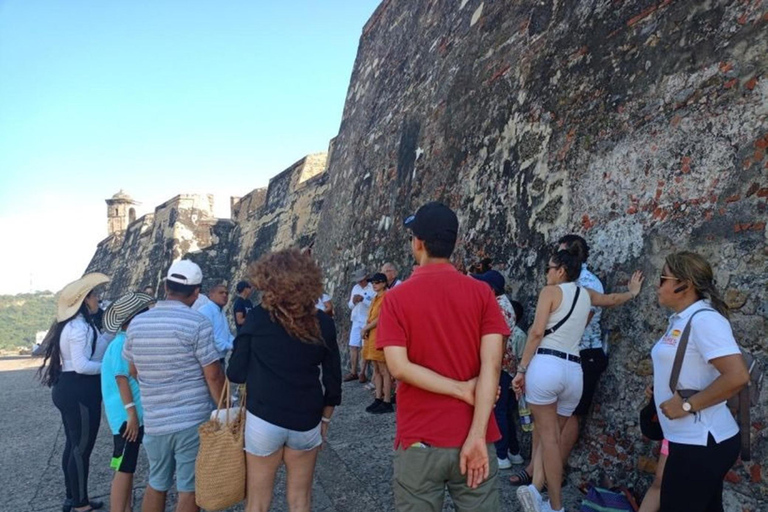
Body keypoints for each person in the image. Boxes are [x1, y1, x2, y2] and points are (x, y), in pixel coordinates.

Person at [377, 202, 510, 512]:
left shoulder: (396, 298)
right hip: (475, 433)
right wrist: (477, 435)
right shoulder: (481, 293)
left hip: (420, 439)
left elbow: (398, 367)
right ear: (453, 244)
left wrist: (460, 389)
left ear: (418, 242)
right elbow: (492, 366)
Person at [513, 249, 643, 512]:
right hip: (574, 371)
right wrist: (633, 292)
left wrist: (522, 368)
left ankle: (556, 506)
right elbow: (613, 299)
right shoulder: (587, 294)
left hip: (547, 365)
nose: (546, 273)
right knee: (553, 440)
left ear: (561, 270)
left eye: (549, 268)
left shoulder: (550, 293)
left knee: (546, 438)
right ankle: (536, 491)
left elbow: (537, 332)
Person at [227, 249, 342, 512]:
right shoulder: (323, 322)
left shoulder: (256, 317)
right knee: (300, 500)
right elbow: (333, 377)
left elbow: (235, 372)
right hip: (307, 418)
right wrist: (326, 418)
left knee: (257, 502)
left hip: (264, 417)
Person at [123, 260, 225, 512]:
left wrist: (157, 386)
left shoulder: (137, 323)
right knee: (189, 488)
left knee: (156, 482)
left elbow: (132, 370)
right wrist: (226, 408)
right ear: (196, 292)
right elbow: (213, 375)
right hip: (191, 420)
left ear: (166, 286)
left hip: (156, 420)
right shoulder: (197, 323)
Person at [651, 252, 749, 512]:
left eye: (663, 279)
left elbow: (737, 375)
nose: (657, 285)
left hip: (702, 441)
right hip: (688, 440)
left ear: (684, 284)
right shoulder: (683, 320)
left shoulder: (705, 321)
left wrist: (686, 405)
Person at [38, 273, 111, 512]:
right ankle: (80, 503)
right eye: (94, 296)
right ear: (84, 299)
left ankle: (74, 497)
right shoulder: (79, 327)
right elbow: (81, 365)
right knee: (81, 447)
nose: (98, 299)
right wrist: (108, 369)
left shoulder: (75, 324)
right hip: (79, 389)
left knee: (73, 444)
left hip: (69, 387)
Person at [556, 234, 611, 473]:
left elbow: (580, 321)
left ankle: (554, 470)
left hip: (583, 353)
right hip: (569, 353)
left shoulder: (588, 282)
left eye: (560, 253)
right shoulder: (570, 282)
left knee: (571, 415)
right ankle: (541, 469)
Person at [100, 292, 155, 512]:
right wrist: (131, 414)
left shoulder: (121, 342)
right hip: (126, 418)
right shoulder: (122, 344)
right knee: (123, 467)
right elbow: (121, 380)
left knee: (126, 466)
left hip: (127, 416)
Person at [471, 270, 524, 470]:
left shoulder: (498, 307)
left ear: (491, 288)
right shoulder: (504, 304)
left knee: (498, 410)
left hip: (500, 365)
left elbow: (499, 340)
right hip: (505, 365)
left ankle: (502, 455)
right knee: (505, 411)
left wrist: (490, 367)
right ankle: (514, 451)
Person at [362, 272, 392, 414]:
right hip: (373, 336)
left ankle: (386, 400)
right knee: (377, 369)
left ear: (384, 283)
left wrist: (366, 328)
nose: (374, 285)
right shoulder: (376, 298)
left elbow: (381, 317)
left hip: (380, 335)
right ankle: (378, 398)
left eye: (377, 282)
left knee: (384, 369)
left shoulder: (387, 296)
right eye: (373, 282)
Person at [345, 269, 374, 383]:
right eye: (358, 281)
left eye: (361, 280)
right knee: (353, 345)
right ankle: (353, 371)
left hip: (366, 320)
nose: (360, 283)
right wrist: (353, 301)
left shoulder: (372, 287)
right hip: (356, 319)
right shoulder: (355, 288)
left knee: (364, 347)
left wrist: (363, 300)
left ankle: (362, 372)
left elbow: (374, 304)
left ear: (366, 278)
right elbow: (350, 306)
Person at [197, 282, 235, 362]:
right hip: (210, 360)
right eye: (221, 293)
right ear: (211, 295)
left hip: (220, 358)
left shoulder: (221, 311)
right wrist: (230, 346)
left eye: (227, 293)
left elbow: (226, 333)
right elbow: (209, 336)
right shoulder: (206, 310)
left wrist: (236, 343)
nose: (225, 295)